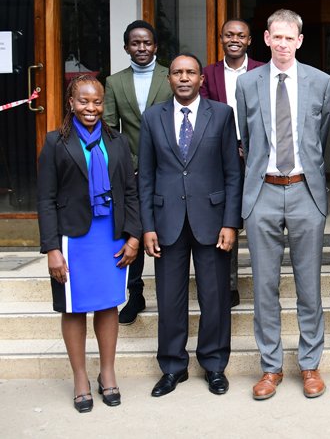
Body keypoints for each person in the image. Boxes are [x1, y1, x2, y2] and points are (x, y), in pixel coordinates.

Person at [236, 9, 330, 401]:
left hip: (305, 189)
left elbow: (320, 135)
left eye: (289, 37)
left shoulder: (320, 82)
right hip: (263, 191)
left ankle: (310, 365)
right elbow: (247, 139)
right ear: (266, 38)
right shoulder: (247, 83)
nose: (282, 44)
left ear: (300, 41)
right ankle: (270, 367)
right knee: (265, 285)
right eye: (276, 37)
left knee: (309, 285)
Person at [139, 54, 242, 397]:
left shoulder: (222, 115)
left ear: (201, 79)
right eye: (177, 73)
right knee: (170, 299)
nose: (184, 78)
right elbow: (146, 177)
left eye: (190, 72)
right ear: (168, 79)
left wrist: (231, 222)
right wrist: (147, 226)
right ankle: (172, 367)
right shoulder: (152, 117)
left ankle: (214, 365)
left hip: (212, 221)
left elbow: (233, 173)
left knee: (215, 297)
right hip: (166, 222)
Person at [37, 75, 141, 412]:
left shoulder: (117, 142)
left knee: (108, 304)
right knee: (74, 306)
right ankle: (80, 377)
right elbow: (46, 199)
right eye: (83, 101)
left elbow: (130, 192)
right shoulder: (56, 142)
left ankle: (107, 372)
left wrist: (134, 236)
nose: (91, 108)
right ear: (71, 103)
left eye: (97, 101)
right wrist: (52, 249)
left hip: (111, 236)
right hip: (73, 238)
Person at [103, 20, 173, 325]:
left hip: (170, 168)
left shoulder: (171, 76)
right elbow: (109, 129)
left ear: (155, 46)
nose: (141, 48)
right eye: (135, 43)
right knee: (133, 228)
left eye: (146, 42)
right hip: (130, 169)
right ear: (126, 47)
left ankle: (169, 293)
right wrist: (131, 163)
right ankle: (135, 293)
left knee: (167, 229)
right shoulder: (114, 82)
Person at [199, 18, 266, 308]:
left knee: (260, 219)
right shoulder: (208, 73)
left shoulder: (263, 70)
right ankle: (229, 285)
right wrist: (228, 146)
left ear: (249, 40)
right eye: (229, 35)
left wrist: (249, 146)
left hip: (257, 155)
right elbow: (204, 113)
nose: (234, 39)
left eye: (240, 35)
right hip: (220, 155)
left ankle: (265, 285)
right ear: (221, 38)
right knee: (227, 219)